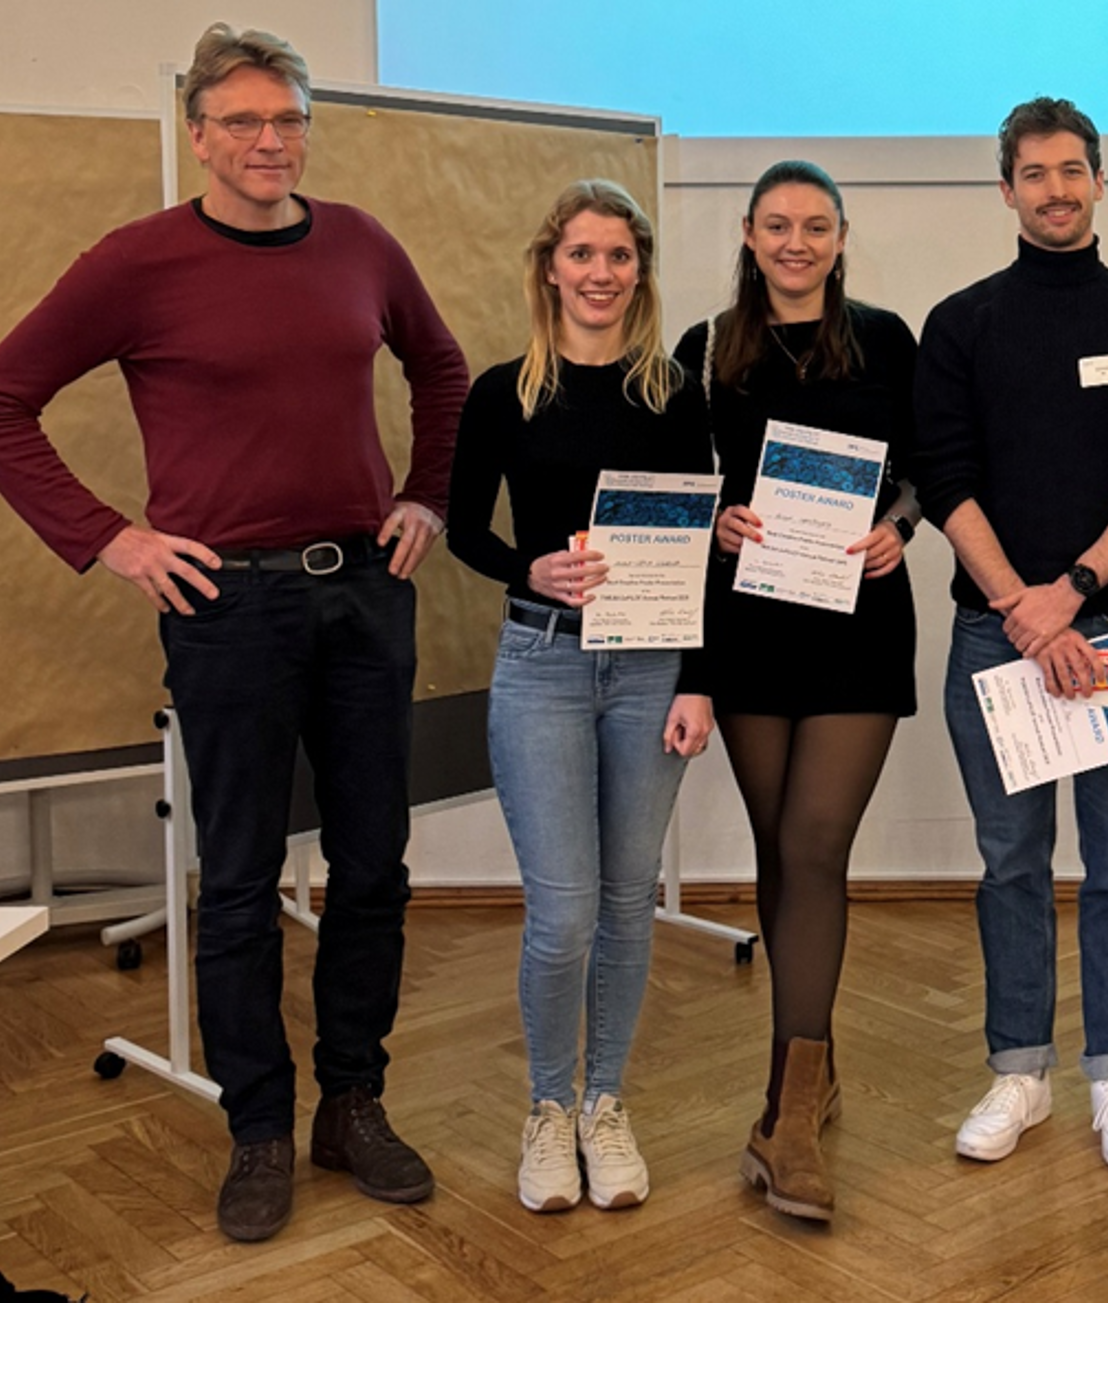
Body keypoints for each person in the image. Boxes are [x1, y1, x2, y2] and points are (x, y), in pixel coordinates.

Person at [0, 24, 468, 1244]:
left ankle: (352, 1102)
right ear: (197, 134)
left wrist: (427, 496)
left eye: (287, 120)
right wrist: (111, 539)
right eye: (242, 121)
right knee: (237, 876)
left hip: (364, 594)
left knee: (373, 865)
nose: (268, 141)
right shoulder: (136, 262)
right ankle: (258, 1126)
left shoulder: (360, 242)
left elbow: (442, 372)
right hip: (226, 608)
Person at [914, 98, 1108, 1172]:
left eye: (1071, 169)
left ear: (1098, 179)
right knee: (1010, 863)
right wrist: (1024, 613)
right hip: (997, 640)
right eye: (1033, 174)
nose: (1055, 190)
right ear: (1006, 190)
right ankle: (1019, 1071)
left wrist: (1070, 593)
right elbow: (945, 478)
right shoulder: (961, 323)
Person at [446, 181, 714, 1216]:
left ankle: (606, 1101)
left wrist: (699, 680)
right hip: (544, 664)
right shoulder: (502, 392)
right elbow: (466, 529)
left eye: (619, 256)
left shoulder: (673, 394)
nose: (600, 273)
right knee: (562, 915)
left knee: (626, 902)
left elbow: (695, 550)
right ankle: (548, 1107)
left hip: (650, 671)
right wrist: (530, 569)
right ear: (549, 267)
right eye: (582, 254)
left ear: (639, 272)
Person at [671, 161, 920, 1222]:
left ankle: (789, 1112)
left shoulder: (886, 339)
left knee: (816, 844)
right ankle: (807, 1072)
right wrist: (717, 518)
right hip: (750, 625)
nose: (796, 242)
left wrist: (899, 527)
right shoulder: (702, 350)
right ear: (748, 232)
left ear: (841, 236)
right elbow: (683, 483)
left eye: (816, 226)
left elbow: (925, 470)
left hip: (858, 622)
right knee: (779, 849)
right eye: (777, 225)